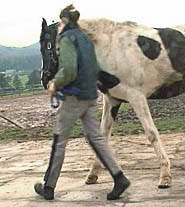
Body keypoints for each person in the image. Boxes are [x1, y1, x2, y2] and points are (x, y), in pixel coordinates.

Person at [34, 4, 130, 201]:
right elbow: (93, 66)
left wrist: (55, 83)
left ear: (64, 21)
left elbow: (68, 69)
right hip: (90, 96)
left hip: (72, 97)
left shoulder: (68, 38)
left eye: (60, 23)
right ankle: (119, 177)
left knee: (59, 142)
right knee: (96, 139)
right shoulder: (86, 39)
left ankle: (49, 186)